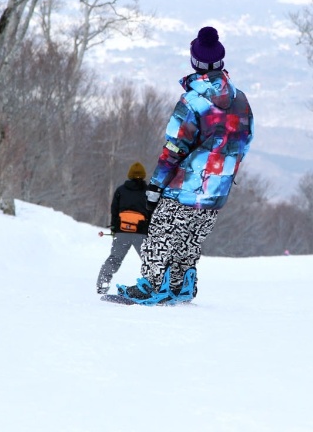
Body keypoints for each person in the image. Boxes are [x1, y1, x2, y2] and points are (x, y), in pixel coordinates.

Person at [117, 26, 254, 304]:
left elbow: (173, 149)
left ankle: (151, 286)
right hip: (217, 189)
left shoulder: (192, 101)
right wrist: (226, 172)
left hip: (186, 187)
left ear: (195, 62)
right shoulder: (240, 100)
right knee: (190, 238)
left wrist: (155, 186)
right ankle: (181, 284)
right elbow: (244, 139)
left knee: (162, 233)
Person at [96, 162, 150, 295]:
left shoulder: (121, 190)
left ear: (130, 175)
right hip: (141, 233)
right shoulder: (148, 192)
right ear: (143, 175)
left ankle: (103, 283)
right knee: (149, 261)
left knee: (114, 258)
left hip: (122, 232)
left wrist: (114, 228)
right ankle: (154, 286)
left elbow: (114, 211)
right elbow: (152, 212)